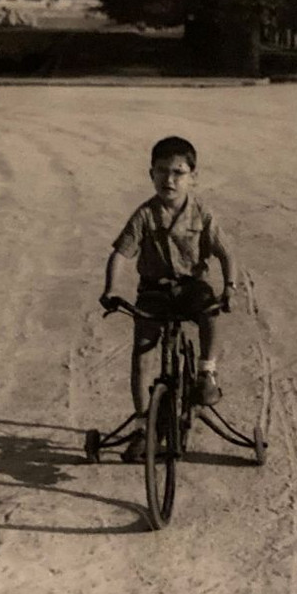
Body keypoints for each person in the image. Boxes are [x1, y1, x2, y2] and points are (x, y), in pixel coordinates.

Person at [100, 136, 238, 462]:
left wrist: (229, 287)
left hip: (191, 286)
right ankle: (142, 425)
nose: (170, 180)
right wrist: (110, 289)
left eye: (178, 172)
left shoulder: (202, 214)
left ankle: (206, 373)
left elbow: (226, 254)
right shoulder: (144, 215)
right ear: (151, 175)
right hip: (154, 290)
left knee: (210, 311)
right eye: (162, 171)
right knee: (142, 353)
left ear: (193, 177)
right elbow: (120, 255)